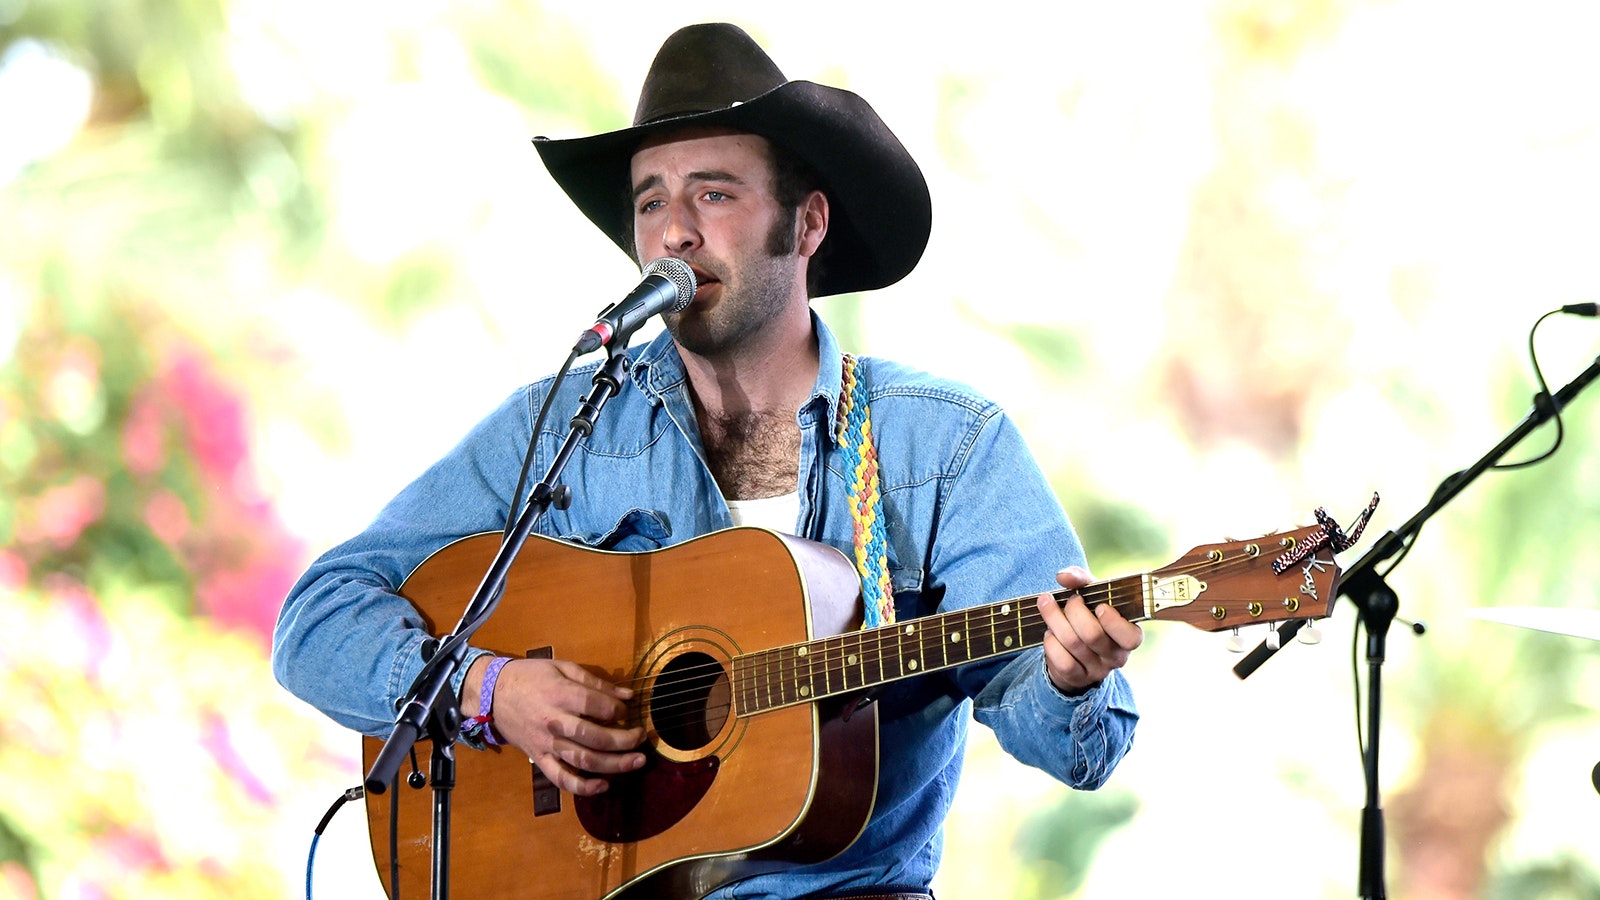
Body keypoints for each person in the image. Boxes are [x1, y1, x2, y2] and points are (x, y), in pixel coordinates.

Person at [273, 22, 1141, 900]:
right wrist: (493, 690)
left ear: (807, 223)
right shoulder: (565, 421)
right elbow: (316, 621)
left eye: (714, 194)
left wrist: (1069, 676)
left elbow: (1073, 745)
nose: (675, 232)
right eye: (650, 202)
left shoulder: (940, 446)